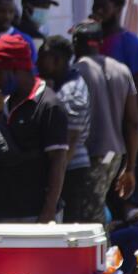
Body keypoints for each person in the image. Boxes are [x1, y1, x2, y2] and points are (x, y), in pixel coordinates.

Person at [0, 33, 69, 224]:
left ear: (15, 69)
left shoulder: (49, 105)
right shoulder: (4, 104)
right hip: (1, 211)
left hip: (33, 214)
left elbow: (58, 162)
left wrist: (48, 212)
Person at [71, 23, 138, 216]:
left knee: (88, 214)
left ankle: (101, 247)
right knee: (97, 206)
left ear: (75, 43)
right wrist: (130, 166)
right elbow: (133, 122)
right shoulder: (122, 70)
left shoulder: (77, 71)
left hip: (88, 155)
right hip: (115, 155)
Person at [38, 35, 99, 224]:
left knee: (70, 225)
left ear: (57, 60)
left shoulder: (71, 92)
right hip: (65, 169)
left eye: (42, 58)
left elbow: (69, 142)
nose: (37, 63)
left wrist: (56, 179)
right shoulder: (61, 87)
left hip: (71, 171)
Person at [87, 0, 138, 110]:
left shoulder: (134, 45)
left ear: (118, 8)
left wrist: (132, 127)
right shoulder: (89, 42)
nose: (98, 11)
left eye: (103, 6)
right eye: (95, 6)